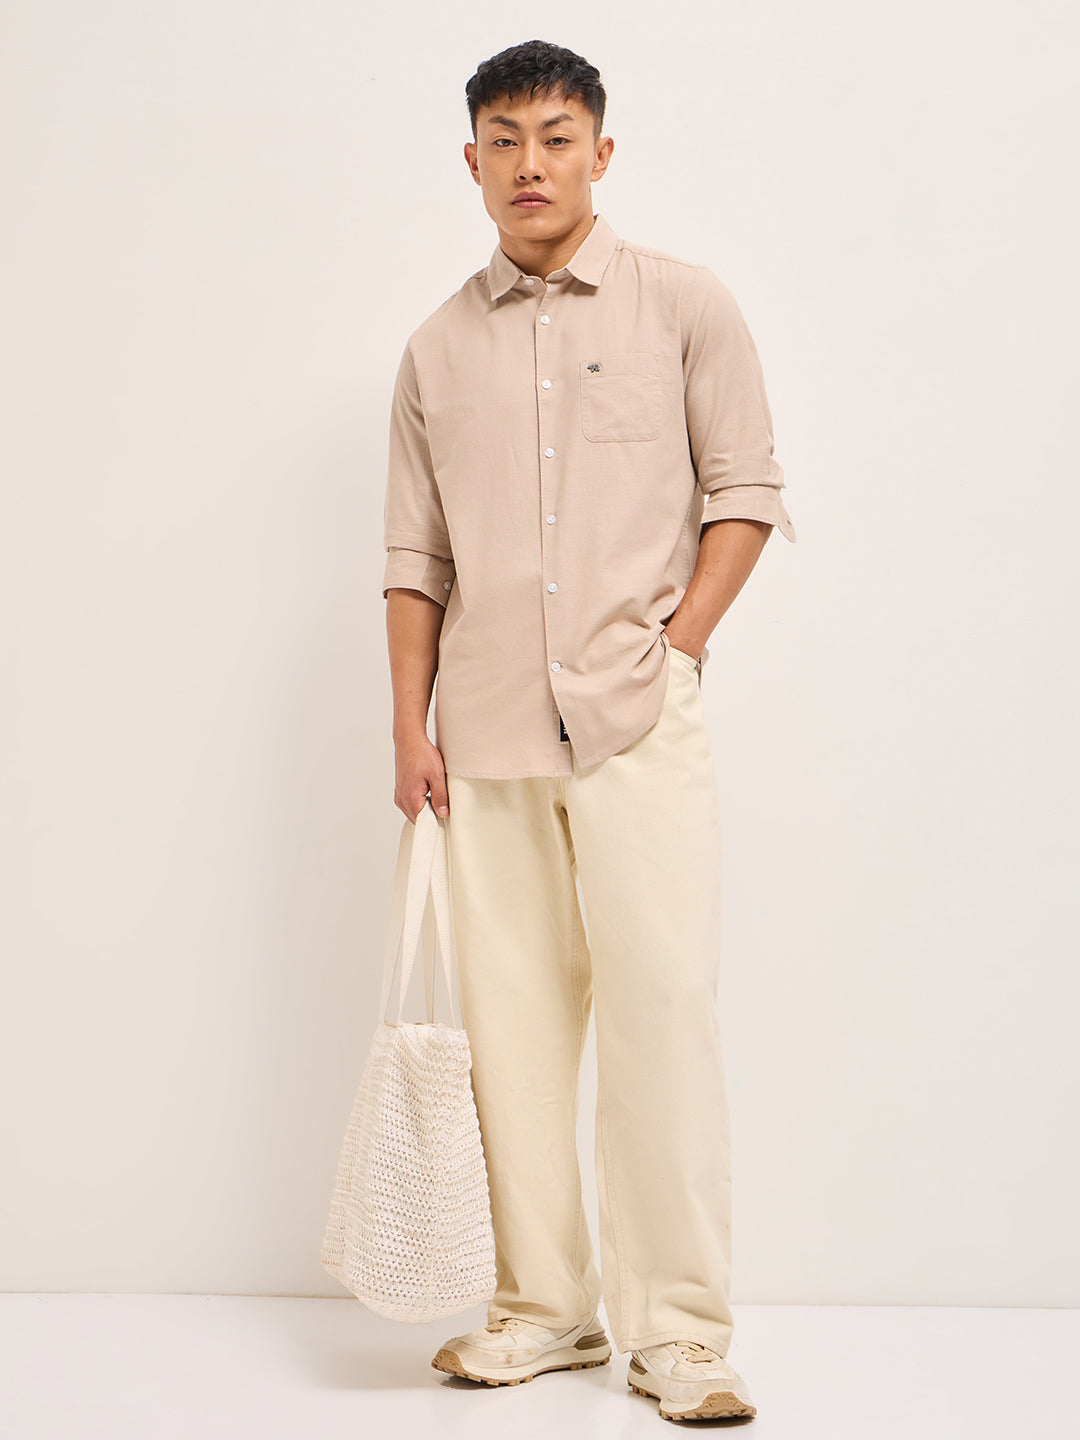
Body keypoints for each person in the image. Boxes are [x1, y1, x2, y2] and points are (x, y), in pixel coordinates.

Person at [381, 37, 795, 1424]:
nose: (530, 164)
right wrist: (409, 728)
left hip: (637, 724)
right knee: (512, 1032)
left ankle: (679, 1333)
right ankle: (543, 1311)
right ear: (471, 161)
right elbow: (415, 558)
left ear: (600, 153)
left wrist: (678, 649)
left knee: (663, 1016)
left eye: (556, 137)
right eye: (504, 140)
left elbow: (745, 490)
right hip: (485, 737)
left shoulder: (685, 304)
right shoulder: (436, 348)